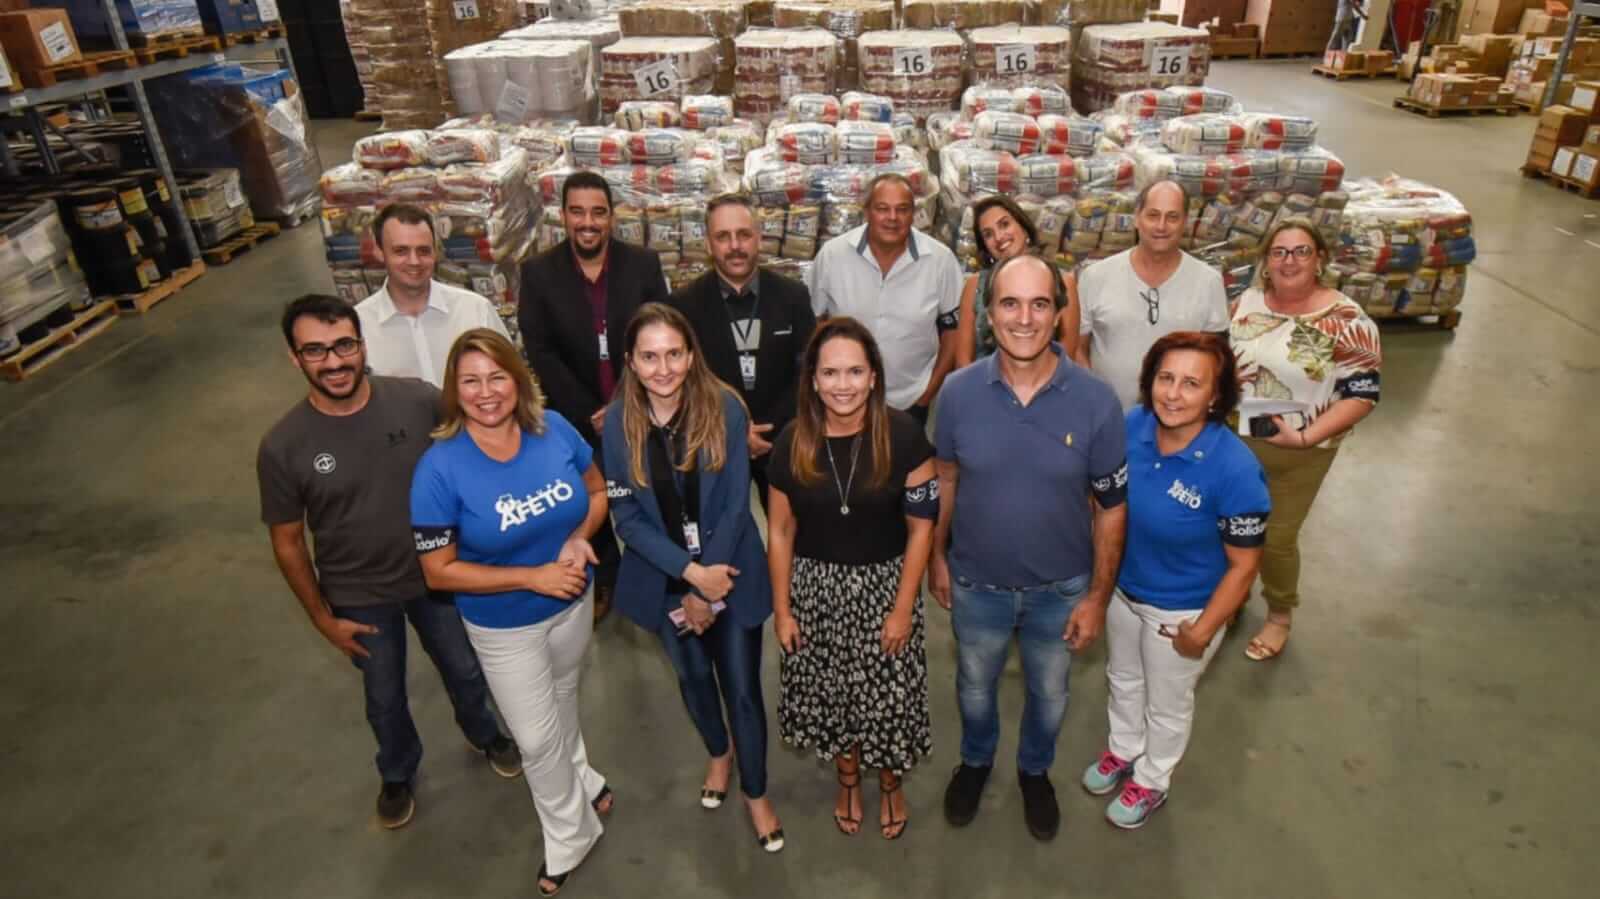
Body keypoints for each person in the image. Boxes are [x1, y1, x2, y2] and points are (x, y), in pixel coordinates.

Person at [257, 295, 518, 831]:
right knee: (384, 696)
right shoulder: (282, 446)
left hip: (436, 574)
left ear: (361, 344)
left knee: (466, 670)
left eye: (343, 346)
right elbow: (287, 542)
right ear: (294, 358)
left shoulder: (417, 401)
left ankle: (483, 730)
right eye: (316, 351)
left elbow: (474, 450)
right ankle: (397, 770)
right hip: (358, 591)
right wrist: (322, 619)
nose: (334, 362)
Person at [929, 254, 1128, 841]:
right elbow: (945, 477)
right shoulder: (959, 394)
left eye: (1040, 303)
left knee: (1049, 694)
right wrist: (938, 557)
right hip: (976, 585)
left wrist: (1096, 596)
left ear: (1059, 314)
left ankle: (1034, 770)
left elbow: (1112, 507)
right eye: (1009, 303)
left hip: (1060, 591)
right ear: (989, 314)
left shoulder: (1097, 401)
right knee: (973, 687)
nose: (1024, 318)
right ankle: (976, 760)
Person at [410, 329, 613, 896]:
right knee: (534, 738)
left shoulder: (552, 430)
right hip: (505, 626)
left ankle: (583, 775)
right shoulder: (438, 469)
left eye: (497, 376)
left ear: (517, 379)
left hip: (572, 606)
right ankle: (570, 832)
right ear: (454, 390)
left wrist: (577, 539)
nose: (486, 392)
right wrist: (532, 576)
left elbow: (597, 493)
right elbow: (438, 571)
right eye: (470, 380)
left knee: (564, 698)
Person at [602, 303, 785, 853]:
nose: (664, 369)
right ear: (630, 362)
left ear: (690, 354)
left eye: (674, 354)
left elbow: (735, 502)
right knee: (694, 683)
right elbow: (626, 517)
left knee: (744, 692)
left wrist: (710, 581)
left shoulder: (723, 407)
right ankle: (718, 753)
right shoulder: (617, 423)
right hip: (664, 578)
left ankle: (756, 793)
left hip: (730, 571)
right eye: (649, 357)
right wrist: (688, 576)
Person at [1080, 332, 1270, 829]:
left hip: (1181, 610)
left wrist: (1203, 630)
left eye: (1192, 383)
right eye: (1165, 378)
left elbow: (1245, 566)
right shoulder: (1134, 425)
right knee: (1123, 678)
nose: (1173, 394)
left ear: (1215, 394)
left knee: (1167, 703)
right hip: (1124, 590)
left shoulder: (1235, 470)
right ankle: (1123, 749)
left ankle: (1152, 778)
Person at [767, 317, 937, 841]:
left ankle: (889, 784)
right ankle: (846, 781)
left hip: (886, 588)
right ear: (813, 380)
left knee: (888, 699)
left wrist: (904, 607)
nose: (843, 384)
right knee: (834, 698)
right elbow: (779, 530)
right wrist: (783, 608)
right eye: (830, 372)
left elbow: (921, 528)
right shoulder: (792, 441)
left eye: (855, 371)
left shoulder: (905, 438)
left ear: (873, 377)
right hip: (816, 592)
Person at [519, 171, 671, 620]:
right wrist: (590, 413)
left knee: (651, 494)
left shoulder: (642, 264)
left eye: (598, 212)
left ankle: (663, 572)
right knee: (592, 497)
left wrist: (625, 403)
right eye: (578, 212)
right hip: (577, 415)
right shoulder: (539, 273)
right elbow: (541, 349)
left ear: (612, 217)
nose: (588, 222)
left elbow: (659, 330)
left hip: (641, 408)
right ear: (563, 216)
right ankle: (607, 579)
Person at [1229, 219, 1381, 662]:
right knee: (1231, 529)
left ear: (1320, 259)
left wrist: (1305, 437)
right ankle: (1234, 596)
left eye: (1300, 251)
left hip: (1301, 451)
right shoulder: (1245, 303)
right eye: (1279, 252)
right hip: (1235, 443)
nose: (1288, 260)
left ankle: (1279, 615)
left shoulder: (1348, 320)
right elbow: (1220, 358)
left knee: (1276, 538)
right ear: (1265, 261)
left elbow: (1363, 394)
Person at [670, 194, 816, 513]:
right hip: (714, 439)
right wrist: (735, 429)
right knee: (721, 534)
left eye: (744, 235)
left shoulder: (793, 296)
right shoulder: (683, 305)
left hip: (781, 439)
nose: (735, 245)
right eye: (723, 237)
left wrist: (769, 430)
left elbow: (807, 371)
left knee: (791, 532)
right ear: (708, 244)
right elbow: (684, 379)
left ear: (759, 238)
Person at [807, 172, 964, 424]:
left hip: (912, 400)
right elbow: (814, 323)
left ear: (913, 213)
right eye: (882, 208)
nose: (893, 218)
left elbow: (953, 332)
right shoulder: (833, 256)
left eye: (902, 209)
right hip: (844, 401)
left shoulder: (940, 261)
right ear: (866, 211)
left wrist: (926, 394)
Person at [1075, 180, 1231, 410]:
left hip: (1179, 420)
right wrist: (1093, 400)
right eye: (1153, 215)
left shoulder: (1208, 282)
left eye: (1172, 217)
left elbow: (1215, 360)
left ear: (1185, 222)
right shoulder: (1095, 277)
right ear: (1137, 218)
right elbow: (1077, 348)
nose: (1161, 226)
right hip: (1106, 418)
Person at [355, 203, 511, 387]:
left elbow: (511, 377)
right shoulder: (359, 325)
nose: (414, 261)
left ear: (435, 252)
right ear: (379, 252)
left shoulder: (475, 310)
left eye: (423, 251)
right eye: (401, 251)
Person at [955, 194, 1080, 367]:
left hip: (1047, 389)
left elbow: (1067, 357)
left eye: (1004, 224)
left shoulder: (1063, 282)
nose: (999, 237)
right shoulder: (974, 285)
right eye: (988, 234)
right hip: (983, 387)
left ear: (1023, 226)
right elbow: (962, 359)